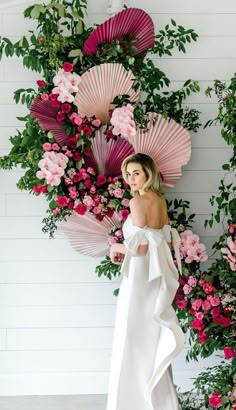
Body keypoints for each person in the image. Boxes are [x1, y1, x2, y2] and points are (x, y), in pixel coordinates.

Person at [106, 153, 185, 410]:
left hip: (140, 277)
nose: (130, 179)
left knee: (133, 335)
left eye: (136, 173)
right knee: (149, 336)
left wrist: (115, 246)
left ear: (148, 173)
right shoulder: (160, 201)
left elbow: (139, 248)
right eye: (127, 174)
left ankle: (131, 403)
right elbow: (162, 240)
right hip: (154, 278)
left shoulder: (137, 202)